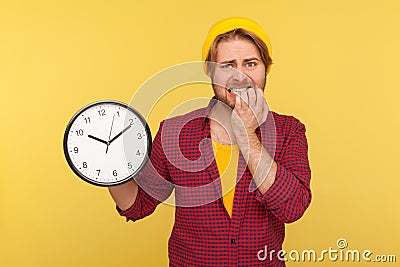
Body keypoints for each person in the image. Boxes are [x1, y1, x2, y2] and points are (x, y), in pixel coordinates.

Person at [108, 17, 311, 267]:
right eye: (227, 66)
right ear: (210, 71)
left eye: (250, 63)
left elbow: (292, 207)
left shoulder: (289, 131)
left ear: (265, 69)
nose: (240, 76)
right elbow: (139, 205)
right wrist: (110, 167)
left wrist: (247, 135)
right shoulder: (174, 132)